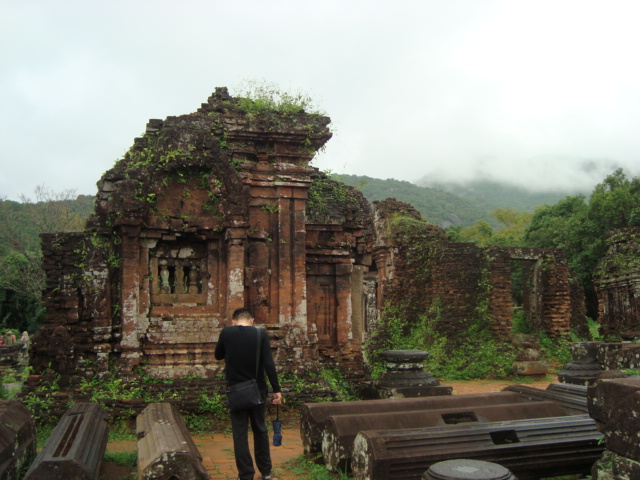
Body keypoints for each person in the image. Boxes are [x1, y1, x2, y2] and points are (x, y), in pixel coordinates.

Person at [215, 307, 282, 480]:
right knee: (260, 429)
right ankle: (266, 471)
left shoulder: (227, 333)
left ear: (234, 321)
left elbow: (218, 355)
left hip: (236, 390)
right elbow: (268, 363)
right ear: (252, 320)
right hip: (257, 390)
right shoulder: (261, 335)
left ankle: (245, 474)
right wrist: (277, 389)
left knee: (240, 433)